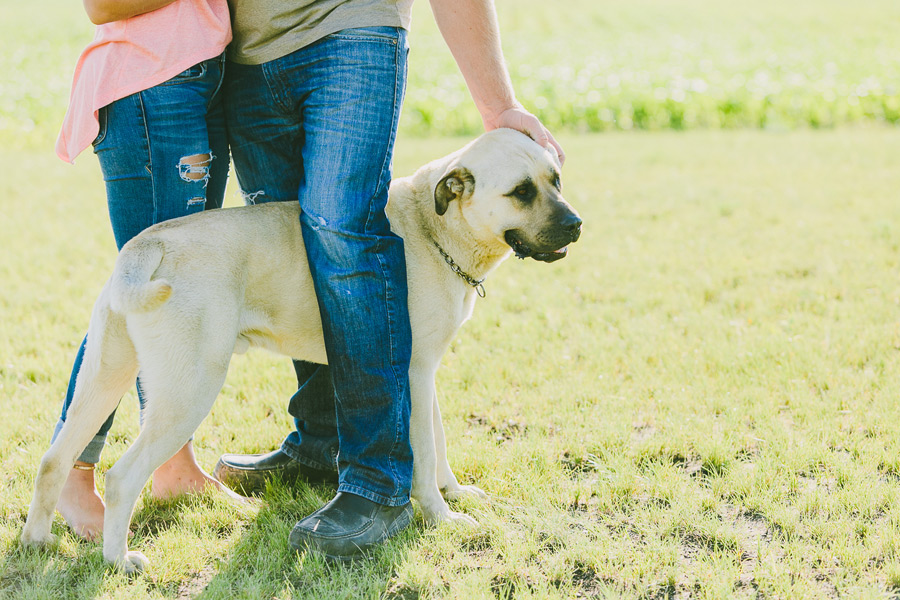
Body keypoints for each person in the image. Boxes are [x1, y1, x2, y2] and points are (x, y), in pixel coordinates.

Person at [213, 0, 564, 560]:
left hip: (352, 32)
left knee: (342, 236)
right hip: (249, 59)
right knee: (295, 264)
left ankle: (379, 484)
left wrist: (500, 106)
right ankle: (321, 443)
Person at [50, 0, 235, 540]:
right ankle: (71, 474)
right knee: (136, 293)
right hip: (155, 83)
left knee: (171, 294)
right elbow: (101, 5)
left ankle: (174, 466)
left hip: (200, 75)